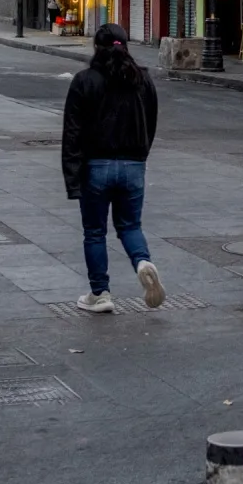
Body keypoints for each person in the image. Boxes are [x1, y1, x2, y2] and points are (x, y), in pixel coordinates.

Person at [60, 23, 163, 313]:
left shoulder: (84, 80)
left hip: (96, 166)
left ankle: (100, 294)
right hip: (133, 165)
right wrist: (141, 156)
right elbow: (151, 122)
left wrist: (72, 176)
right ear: (125, 46)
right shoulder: (142, 80)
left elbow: (72, 133)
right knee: (130, 226)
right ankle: (142, 261)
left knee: (94, 232)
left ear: (97, 47)